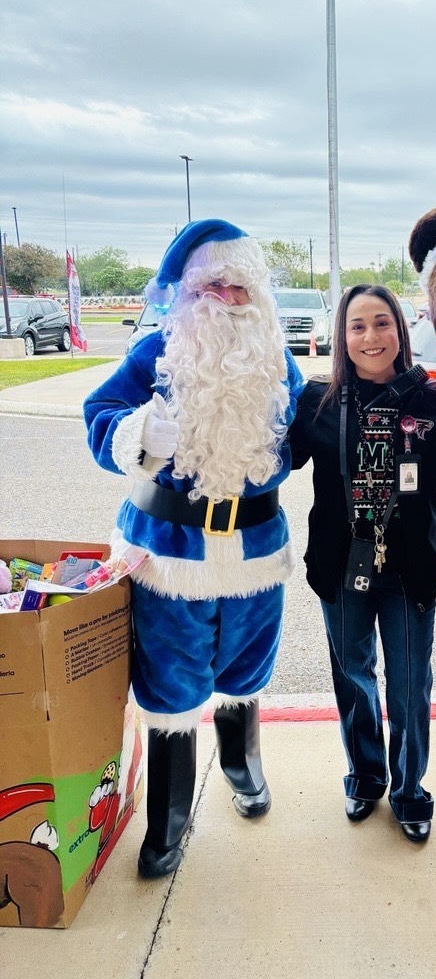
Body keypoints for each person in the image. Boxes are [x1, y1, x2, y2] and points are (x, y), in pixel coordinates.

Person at [84, 220, 304, 879]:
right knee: (170, 683)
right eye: (214, 287)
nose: (228, 300)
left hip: (256, 551)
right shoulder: (154, 352)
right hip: (169, 553)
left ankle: (241, 765)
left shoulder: (278, 359)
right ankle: (170, 818)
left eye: (240, 288)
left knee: (246, 668)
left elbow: (305, 430)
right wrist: (136, 433)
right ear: (186, 292)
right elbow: (100, 415)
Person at [289, 284, 436, 843]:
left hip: (410, 567)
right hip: (341, 566)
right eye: (357, 325)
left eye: (382, 322)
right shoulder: (317, 401)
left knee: (410, 683)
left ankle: (410, 791)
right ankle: (365, 776)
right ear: (342, 335)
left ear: (400, 330)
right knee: (353, 675)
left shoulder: (434, 401)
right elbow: (271, 460)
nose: (371, 336)